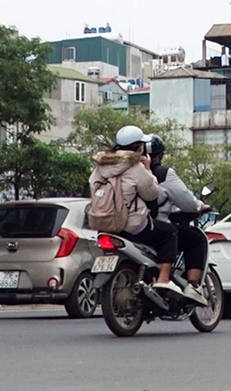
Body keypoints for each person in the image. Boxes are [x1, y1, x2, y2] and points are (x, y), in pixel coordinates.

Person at [88, 125, 180, 297]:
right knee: (170, 233)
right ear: (137, 147)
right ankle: (163, 279)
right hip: (133, 226)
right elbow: (153, 193)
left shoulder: (100, 167)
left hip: (104, 225)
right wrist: (147, 170)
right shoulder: (135, 167)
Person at [145, 135, 210, 307]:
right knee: (195, 240)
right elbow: (186, 201)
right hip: (147, 226)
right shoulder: (162, 173)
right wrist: (200, 206)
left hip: (122, 226)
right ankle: (193, 286)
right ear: (160, 155)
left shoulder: (122, 172)